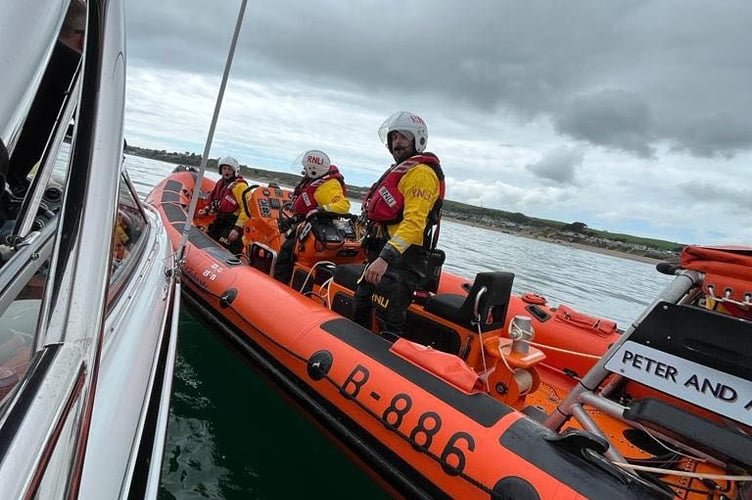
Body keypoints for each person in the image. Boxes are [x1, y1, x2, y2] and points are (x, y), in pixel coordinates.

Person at [353, 111, 445, 336]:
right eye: (394, 138)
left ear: (417, 140)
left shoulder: (421, 174)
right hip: (386, 254)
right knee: (362, 304)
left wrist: (385, 259)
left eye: (403, 137)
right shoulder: (403, 170)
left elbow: (414, 224)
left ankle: (388, 361)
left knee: (389, 318)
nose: (397, 143)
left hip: (403, 260)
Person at [273, 150, 350, 283]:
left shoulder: (328, 186)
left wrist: (320, 209)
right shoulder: (319, 181)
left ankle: (279, 285)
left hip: (312, 227)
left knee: (285, 257)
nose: (304, 171)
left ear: (314, 169)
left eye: (305, 168)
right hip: (302, 224)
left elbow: (343, 205)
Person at [198, 156, 248, 254]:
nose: (226, 171)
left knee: (226, 248)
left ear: (235, 171)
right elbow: (212, 199)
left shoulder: (240, 186)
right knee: (208, 235)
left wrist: (237, 229)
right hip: (220, 220)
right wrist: (206, 210)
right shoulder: (221, 183)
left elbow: (247, 209)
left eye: (229, 169)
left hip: (232, 224)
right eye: (224, 169)